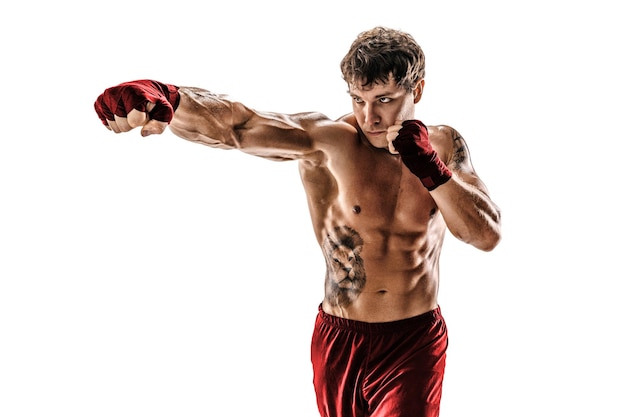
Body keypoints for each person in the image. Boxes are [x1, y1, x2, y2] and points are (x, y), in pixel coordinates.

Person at [94, 26, 501, 417]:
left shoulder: (444, 145)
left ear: (418, 90)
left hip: (413, 341)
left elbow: (486, 235)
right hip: (340, 338)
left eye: (385, 99)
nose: (369, 117)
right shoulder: (329, 142)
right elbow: (241, 126)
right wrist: (170, 96)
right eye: (358, 100)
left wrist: (429, 167)